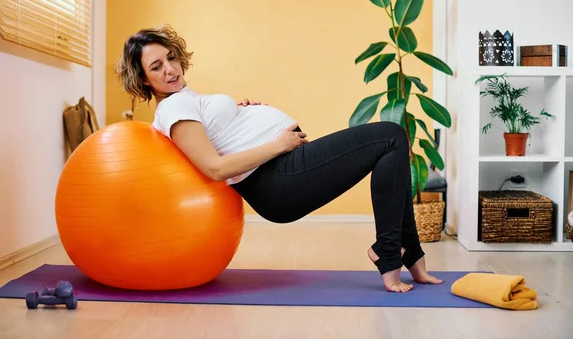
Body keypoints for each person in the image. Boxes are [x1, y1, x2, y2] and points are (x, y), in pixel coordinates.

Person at [115, 25, 442, 293]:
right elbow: (214, 168)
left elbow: (217, 135)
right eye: (156, 67)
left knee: (392, 146)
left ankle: (410, 255)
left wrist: (241, 114)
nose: (170, 68)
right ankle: (388, 253)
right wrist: (278, 144)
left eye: (170, 58)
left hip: (281, 172)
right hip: (276, 180)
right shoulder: (173, 107)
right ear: (143, 79)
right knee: (389, 137)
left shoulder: (185, 98)